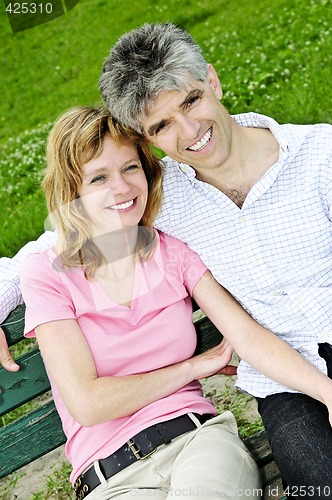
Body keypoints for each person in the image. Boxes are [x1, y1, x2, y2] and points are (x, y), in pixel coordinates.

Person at [1, 22, 332, 497]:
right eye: (161, 125)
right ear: (147, 137)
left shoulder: (320, 157)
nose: (189, 130)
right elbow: (52, 246)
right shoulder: (157, 198)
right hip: (288, 378)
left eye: (191, 101)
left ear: (213, 82)